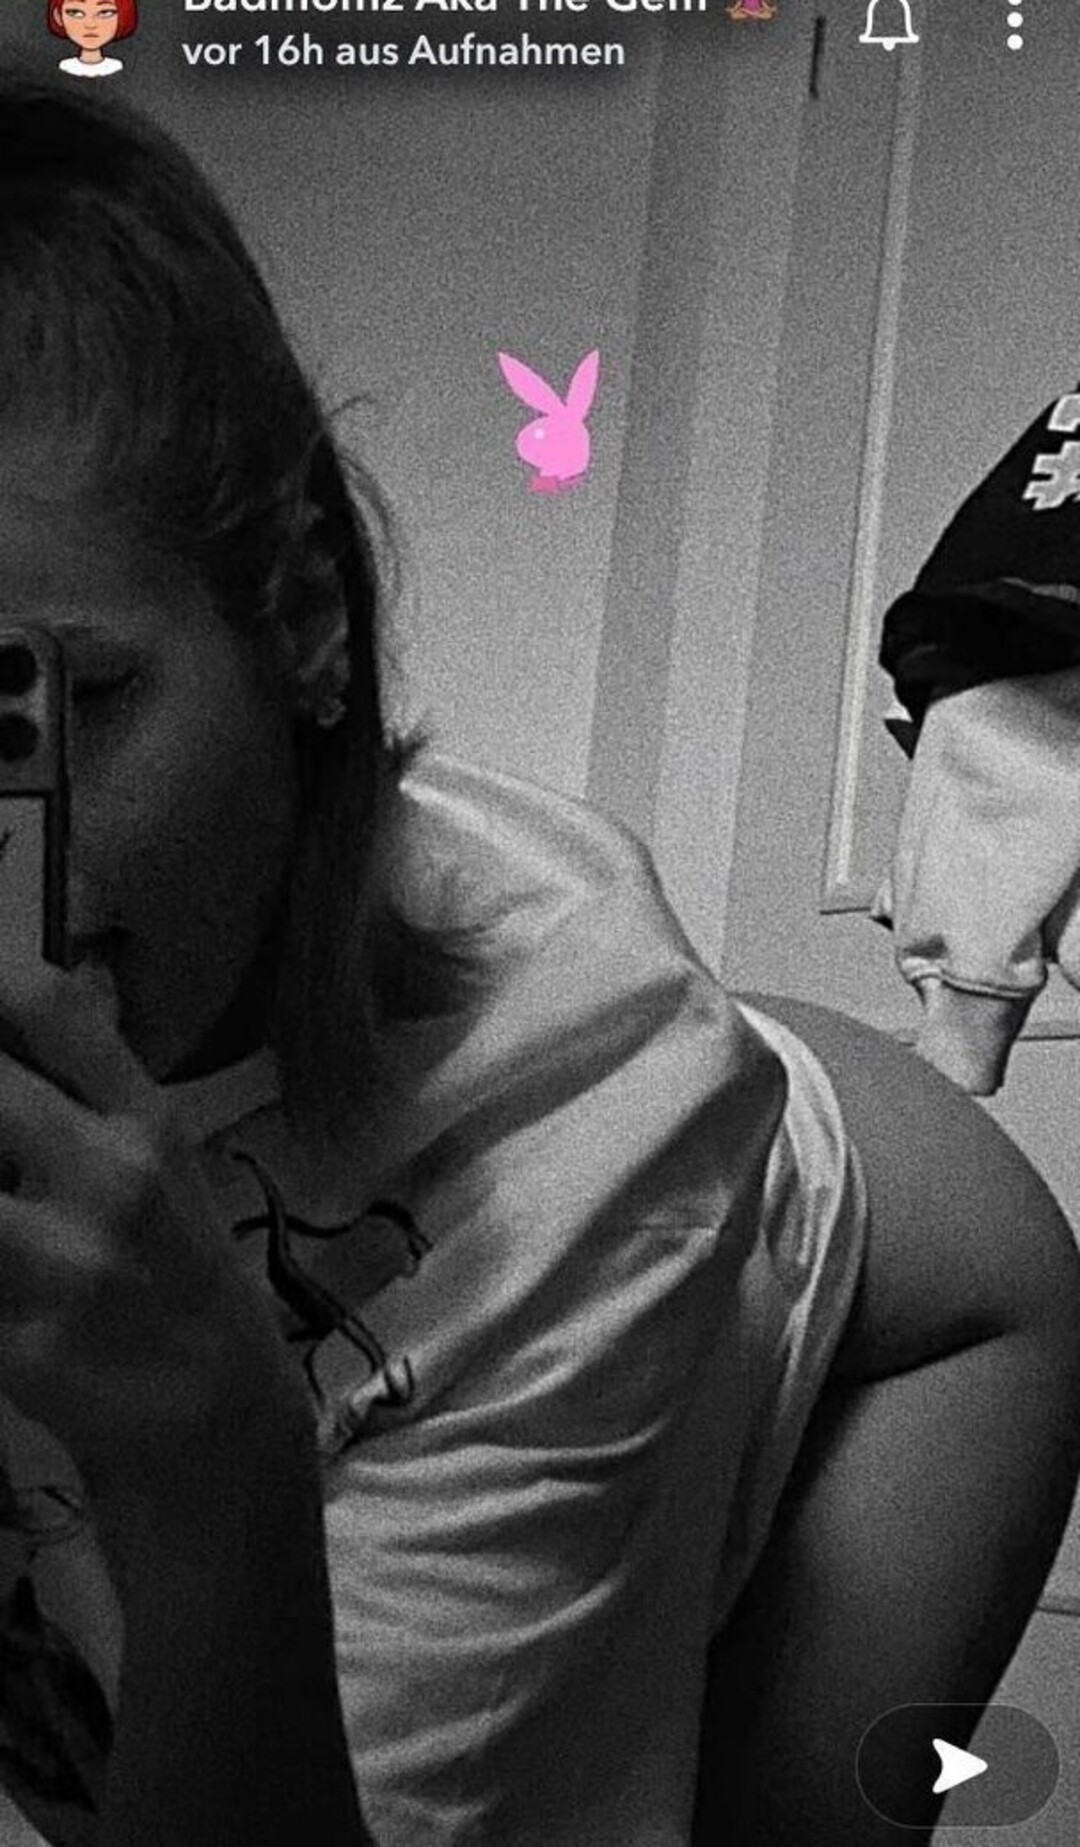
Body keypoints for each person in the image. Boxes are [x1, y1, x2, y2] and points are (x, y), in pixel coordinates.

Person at [0, 68, 1079, 1847]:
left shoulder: (579, 1114)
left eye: (51, 709)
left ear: (304, 621)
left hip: (898, 1305)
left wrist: (209, 1485)